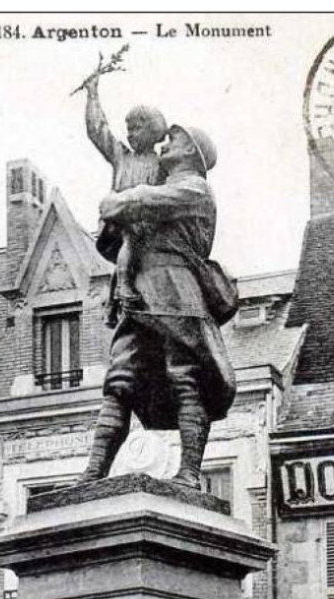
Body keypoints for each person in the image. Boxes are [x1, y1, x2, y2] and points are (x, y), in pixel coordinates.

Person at [80, 123, 236, 490]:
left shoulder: (195, 188)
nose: (165, 142)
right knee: (120, 380)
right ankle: (93, 473)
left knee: (185, 376)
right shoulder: (167, 187)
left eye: (175, 139)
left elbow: (133, 202)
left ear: (191, 153)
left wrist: (120, 201)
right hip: (139, 294)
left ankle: (190, 474)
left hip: (175, 290)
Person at [84, 73, 167, 319]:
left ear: (153, 130)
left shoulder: (162, 164)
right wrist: (92, 95)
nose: (130, 134)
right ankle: (122, 288)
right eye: (128, 129)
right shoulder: (122, 156)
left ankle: (112, 306)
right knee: (130, 237)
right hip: (117, 222)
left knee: (135, 246)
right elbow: (98, 130)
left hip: (147, 226)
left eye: (137, 128)